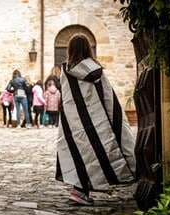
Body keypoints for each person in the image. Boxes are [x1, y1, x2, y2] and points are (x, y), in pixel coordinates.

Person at [55, 34, 136, 205]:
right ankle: (83, 190)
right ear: (88, 48)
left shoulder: (66, 71)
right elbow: (107, 97)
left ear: (70, 50)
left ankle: (79, 190)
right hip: (98, 123)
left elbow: (67, 98)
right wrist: (115, 118)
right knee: (97, 153)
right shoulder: (97, 71)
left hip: (74, 123)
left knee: (79, 152)